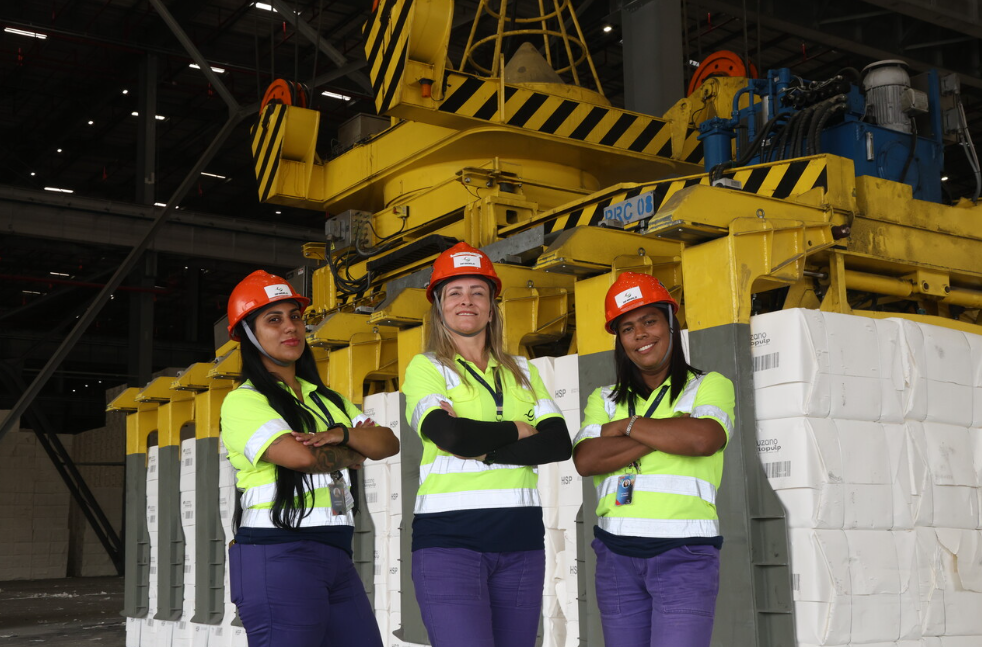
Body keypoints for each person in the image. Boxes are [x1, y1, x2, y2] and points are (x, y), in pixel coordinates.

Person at [401, 242, 572, 647]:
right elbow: (450, 436)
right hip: (450, 543)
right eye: (454, 293)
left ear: (492, 306)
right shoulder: (427, 368)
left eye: (478, 292)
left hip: (521, 542)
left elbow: (559, 444)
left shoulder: (524, 371)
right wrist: (518, 427)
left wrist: (481, 447)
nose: (467, 302)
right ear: (439, 306)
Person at [220, 270, 399, 647]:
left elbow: (386, 443)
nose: (291, 327)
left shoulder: (328, 400)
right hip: (278, 553)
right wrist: (351, 453)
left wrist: (345, 435)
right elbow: (298, 457)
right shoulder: (245, 401)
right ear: (248, 335)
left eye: (295, 317)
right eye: (274, 319)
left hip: (335, 553)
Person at [572, 272, 735, 647]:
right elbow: (586, 459)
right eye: (628, 328)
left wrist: (625, 428)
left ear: (670, 324)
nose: (641, 334)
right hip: (616, 557)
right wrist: (663, 430)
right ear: (620, 341)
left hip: (685, 557)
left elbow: (703, 438)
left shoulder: (709, 385)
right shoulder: (605, 398)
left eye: (650, 321)